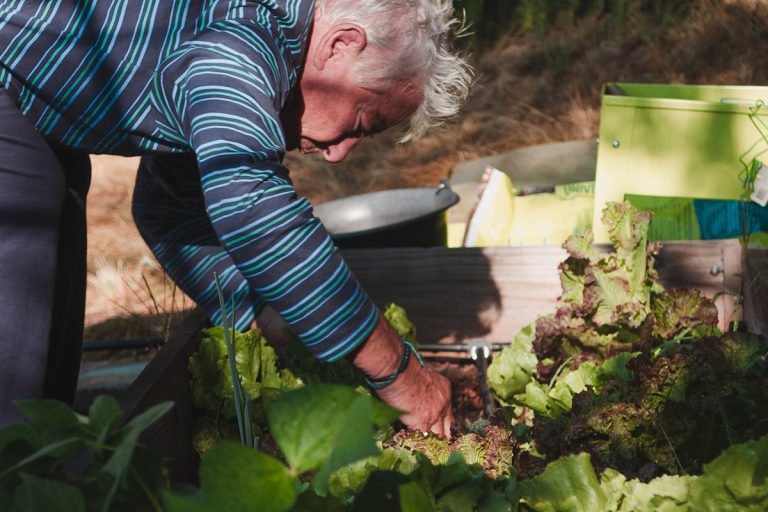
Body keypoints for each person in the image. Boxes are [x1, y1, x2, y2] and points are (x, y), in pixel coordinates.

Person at [0, 0, 472, 434]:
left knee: (46, 327)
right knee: (19, 326)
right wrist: (399, 373)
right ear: (341, 44)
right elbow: (251, 205)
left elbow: (171, 207)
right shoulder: (244, 38)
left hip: (30, 96)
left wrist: (264, 314)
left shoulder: (232, 49)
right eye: (362, 122)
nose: (338, 155)